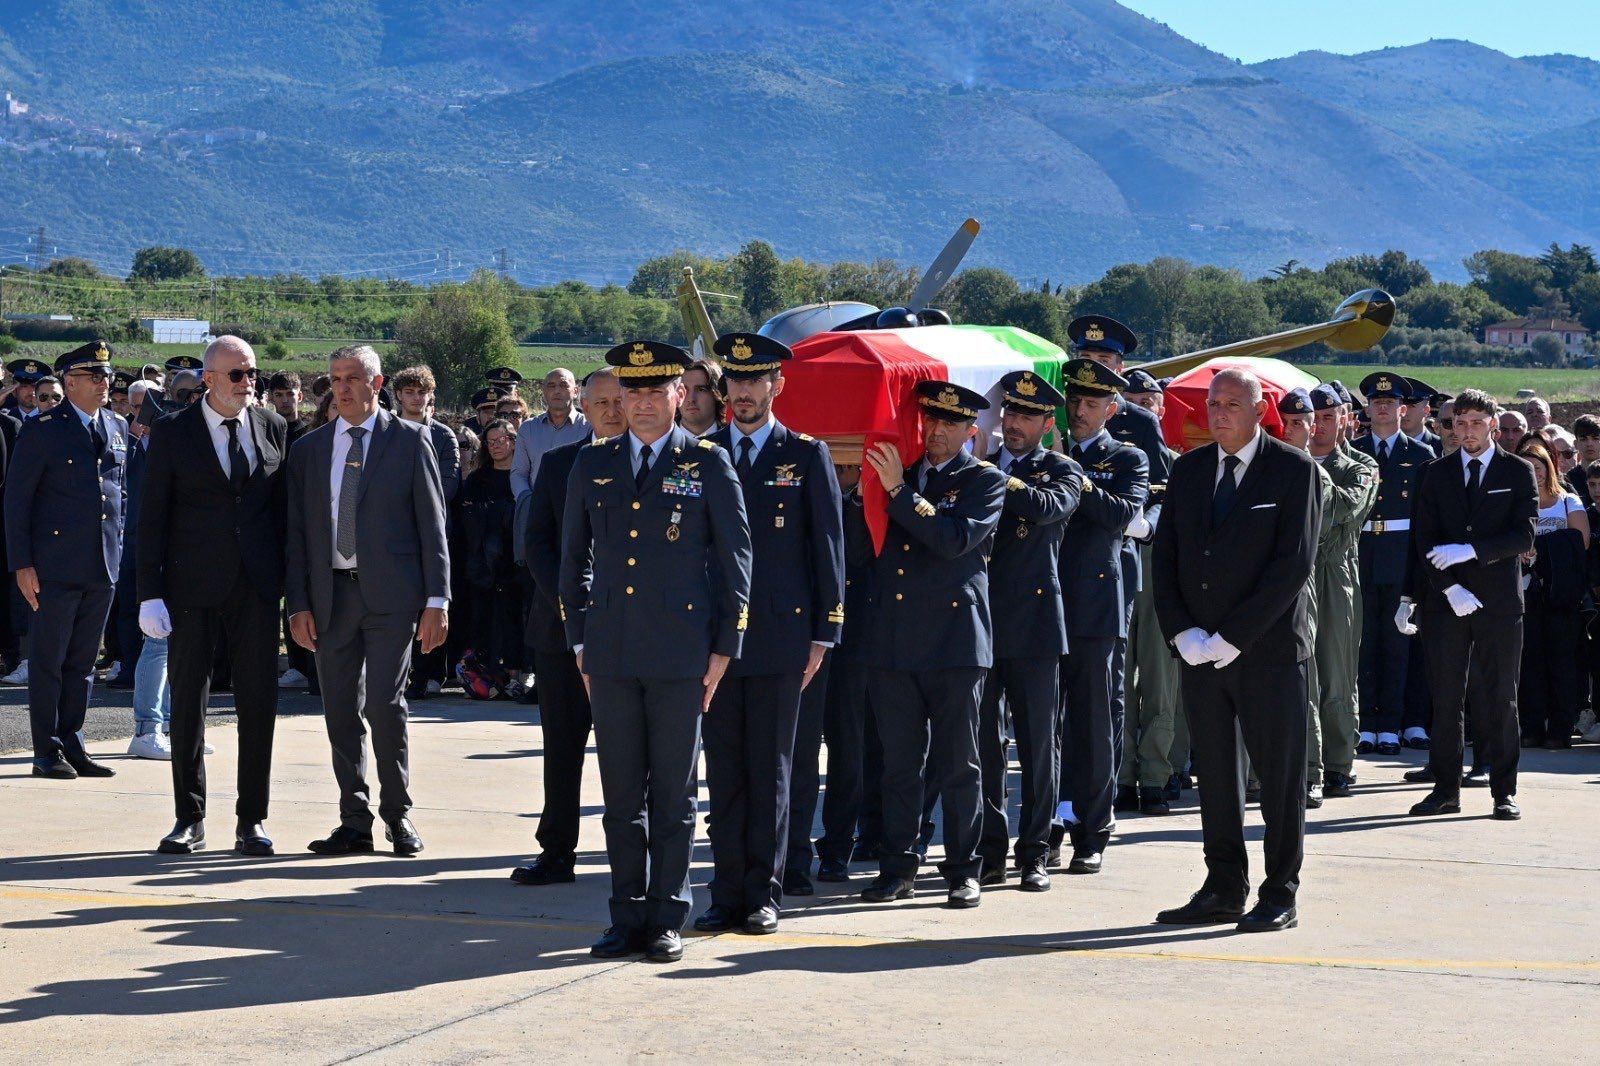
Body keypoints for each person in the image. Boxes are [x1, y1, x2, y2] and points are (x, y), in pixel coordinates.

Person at [558, 340, 751, 964]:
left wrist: (725, 646)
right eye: (632, 393)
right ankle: (625, 916)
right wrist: (581, 639)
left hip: (679, 654)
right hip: (611, 654)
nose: (642, 404)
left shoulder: (709, 463)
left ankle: (667, 914)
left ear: (679, 396)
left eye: (655, 392)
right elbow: (573, 562)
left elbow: (735, 561)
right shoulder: (595, 464)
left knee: (672, 796)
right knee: (620, 796)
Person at [1152, 367, 1322, 933]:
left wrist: (1233, 637)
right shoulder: (1191, 469)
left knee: (1278, 779)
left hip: (1268, 651)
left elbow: (1291, 566)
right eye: (1212, 403)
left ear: (1257, 411)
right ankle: (1223, 884)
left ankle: (1280, 891)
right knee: (1218, 776)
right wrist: (1181, 633)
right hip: (1202, 652)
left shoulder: (1293, 470)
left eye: (1229, 403)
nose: (1217, 412)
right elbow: (1167, 558)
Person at [696, 332, 844, 936]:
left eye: (756, 381)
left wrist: (823, 634)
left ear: (777, 386)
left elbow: (827, 550)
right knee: (725, 770)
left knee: (774, 768)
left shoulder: (805, 456)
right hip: (714, 643)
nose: (744, 392)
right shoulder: (701, 454)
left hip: (784, 640)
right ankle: (725, 890)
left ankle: (765, 892)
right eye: (735, 381)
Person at [285, 345, 450, 857]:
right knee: (338, 709)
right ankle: (353, 820)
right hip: (331, 597)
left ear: (377, 385)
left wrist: (437, 598)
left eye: (353, 378)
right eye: (335, 379)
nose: (343, 388)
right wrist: (298, 604)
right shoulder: (310, 451)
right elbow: (297, 534)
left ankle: (398, 815)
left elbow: (433, 523)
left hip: (392, 598)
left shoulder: (410, 440)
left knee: (384, 704)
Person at [846, 379, 1005, 909]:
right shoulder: (900, 471)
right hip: (893, 639)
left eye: (950, 424)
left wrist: (898, 493)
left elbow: (952, 540)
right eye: (930, 420)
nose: (936, 431)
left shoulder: (984, 480)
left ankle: (963, 869)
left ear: (970, 431)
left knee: (959, 764)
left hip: (954, 643)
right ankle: (898, 867)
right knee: (899, 766)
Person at [137, 336, 289, 856]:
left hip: (257, 585)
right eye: (237, 375)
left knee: (259, 703)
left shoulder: (272, 426)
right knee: (188, 704)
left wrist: (294, 591)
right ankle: (190, 816)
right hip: (190, 584)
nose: (249, 384)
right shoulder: (173, 431)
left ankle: (253, 820)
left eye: (254, 374)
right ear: (208, 378)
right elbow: (151, 516)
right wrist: (149, 593)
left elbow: (280, 514)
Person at [511, 367, 624, 887]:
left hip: (633, 633)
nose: (611, 411)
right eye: (599, 402)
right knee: (561, 748)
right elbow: (537, 543)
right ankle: (556, 852)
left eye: (618, 400)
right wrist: (572, 600)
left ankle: (633, 855)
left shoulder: (660, 466)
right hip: (560, 631)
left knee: (632, 753)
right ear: (584, 406)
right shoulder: (558, 466)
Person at [1408, 388, 1537, 821]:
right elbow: (1422, 540)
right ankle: (1446, 788)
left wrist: (1472, 550)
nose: (1466, 431)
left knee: (1502, 697)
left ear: (1493, 427)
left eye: (1476, 423)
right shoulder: (1435, 473)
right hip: (1448, 603)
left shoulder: (1518, 471)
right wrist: (1448, 588)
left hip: (1499, 601)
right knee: (1446, 698)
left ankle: (1504, 791)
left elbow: (1523, 535)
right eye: (1458, 423)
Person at [976, 370, 1082, 890]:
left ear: (1047, 422)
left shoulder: (1060, 469)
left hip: (1037, 628)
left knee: (1040, 744)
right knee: (985, 746)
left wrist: (995, 476)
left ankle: (1036, 850)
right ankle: (991, 849)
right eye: (1008, 412)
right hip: (982, 625)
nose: (1012, 423)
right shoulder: (982, 466)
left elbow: (1048, 509)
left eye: (1024, 415)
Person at [5, 341, 129, 779]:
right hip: (54, 566)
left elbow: (119, 494)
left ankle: (74, 743)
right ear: (70, 383)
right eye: (95, 377)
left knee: (82, 664)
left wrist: (119, 548)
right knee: (49, 660)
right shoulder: (43, 429)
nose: (105, 384)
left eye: (107, 376)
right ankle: (45, 750)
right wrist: (22, 564)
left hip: (102, 563)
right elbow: (17, 502)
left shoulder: (116, 425)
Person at [1052, 359, 1147, 873]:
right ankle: (1046, 826)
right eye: (1074, 402)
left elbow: (1121, 516)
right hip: (1046, 601)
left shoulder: (1127, 458)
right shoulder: (1049, 455)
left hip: (1096, 605)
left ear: (1111, 409)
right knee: (1045, 723)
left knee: (1093, 719)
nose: (1080, 412)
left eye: (1091, 404)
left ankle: (1092, 828)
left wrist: (1075, 477)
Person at [1068, 319, 1170, 795]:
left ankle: (1122, 779)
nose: (1092, 373)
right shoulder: (1062, 417)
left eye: (1104, 365)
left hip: (1118, 557)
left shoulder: (1139, 423)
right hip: (1060, 566)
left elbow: (1161, 491)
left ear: (1119, 370)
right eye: (1085, 363)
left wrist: (1142, 524)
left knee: (1112, 683)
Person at [1352, 372, 1435, 756]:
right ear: (1367, 409)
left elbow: (1426, 516)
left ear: (1403, 409)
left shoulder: (1421, 456)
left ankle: (1392, 726)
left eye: (1390, 403)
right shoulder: (1353, 452)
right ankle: (1366, 724)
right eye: (1375, 403)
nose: (1382, 408)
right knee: (1364, 643)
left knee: (1398, 644)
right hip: (1362, 551)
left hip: (1401, 555)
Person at [1304, 385, 1377, 804]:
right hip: (1292, 571)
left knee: (1335, 671)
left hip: (1333, 574)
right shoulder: (1284, 460)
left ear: (1346, 419)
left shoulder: (1359, 465)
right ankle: (1303, 762)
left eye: (1328, 416)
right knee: (1297, 672)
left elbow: (1341, 510)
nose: (1318, 426)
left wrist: (1312, 473)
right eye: (1312, 417)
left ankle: (1336, 763)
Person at [1116, 369, 1183, 813]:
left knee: (1159, 679)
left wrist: (1151, 522)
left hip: (1157, 570)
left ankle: (1156, 774)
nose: (1141, 408)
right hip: (1113, 568)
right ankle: (1120, 775)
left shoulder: (1177, 464)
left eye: (1148, 401)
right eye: (1132, 399)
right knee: (1118, 678)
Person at [1511, 435, 1589, 749]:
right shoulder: (1513, 502)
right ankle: (1531, 728)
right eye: (1528, 467)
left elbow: (1580, 540)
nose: (1536, 472)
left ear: (1550, 468)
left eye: (1540, 466)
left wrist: (1538, 548)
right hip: (1525, 593)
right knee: (1529, 662)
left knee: (1562, 663)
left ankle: (1559, 730)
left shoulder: (1568, 500)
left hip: (1560, 595)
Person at [457, 419, 527, 689]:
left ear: (513, 441)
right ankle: (484, 674)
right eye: (491, 441)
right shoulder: (478, 479)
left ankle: (516, 671)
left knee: (514, 617)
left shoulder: (522, 477)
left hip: (515, 559)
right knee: (483, 618)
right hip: (484, 561)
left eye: (502, 440)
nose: (497, 446)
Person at [510, 368, 588, 499]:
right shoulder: (528, 429)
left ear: (576, 391)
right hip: (536, 508)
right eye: (551, 386)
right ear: (544, 391)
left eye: (563, 385)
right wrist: (527, 501)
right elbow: (519, 474)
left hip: (577, 508)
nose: (557, 391)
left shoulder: (589, 427)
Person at [677, 359, 724, 436]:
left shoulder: (735, 440)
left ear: (717, 393)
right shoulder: (658, 442)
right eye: (684, 390)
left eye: (701, 390)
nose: (691, 399)